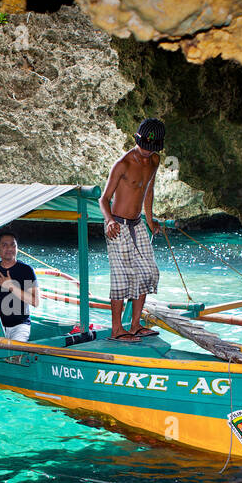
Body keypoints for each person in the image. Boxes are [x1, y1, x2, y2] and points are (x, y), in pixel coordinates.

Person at [100, 117, 165, 341]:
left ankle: (136, 325)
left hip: (137, 224)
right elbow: (104, 199)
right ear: (137, 140)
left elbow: (148, 191)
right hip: (117, 224)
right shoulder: (123, 164)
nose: (147, 151)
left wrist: (150, 220)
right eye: (144, 146)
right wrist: (109, 221)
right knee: (122, 278)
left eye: (152, 148)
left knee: (148, 272)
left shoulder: (154, 160)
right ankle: (117, 329)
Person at [0, 232, 39, 342]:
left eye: (13, 245)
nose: (9, 248)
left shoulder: (26, 270)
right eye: (4, 245)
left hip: (20, 325)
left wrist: (11, 287)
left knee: (16, 354)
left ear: (17, 248)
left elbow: (35, 301)